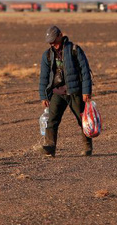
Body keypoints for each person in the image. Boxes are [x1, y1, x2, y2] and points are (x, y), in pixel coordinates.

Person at [38, 25, 93, 157]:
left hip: (75, 92)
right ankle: (50, 148)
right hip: (57, 93)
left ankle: (87, 147)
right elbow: (44, 76)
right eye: (51, 43)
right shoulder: (47, 55)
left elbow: (85, 72)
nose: (53, 44)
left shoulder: (74, 50)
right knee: (52, 121)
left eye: (55, 41)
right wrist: (43, 96)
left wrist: (86, 91)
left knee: (82, 121)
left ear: (60, 35)